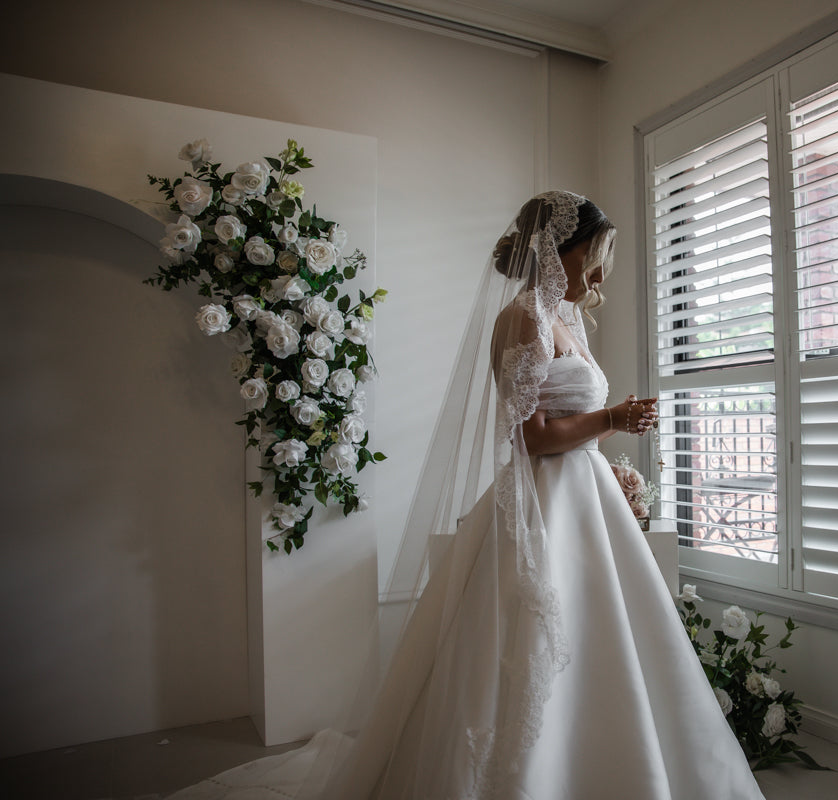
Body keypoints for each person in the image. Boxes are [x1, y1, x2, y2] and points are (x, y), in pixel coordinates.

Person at [173, 192, 767, 799]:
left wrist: (610, 426)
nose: (599, 268)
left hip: (586, 495)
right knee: (527, 641)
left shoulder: (566, 318)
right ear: (561, 249)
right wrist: (613, 418)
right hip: (545, 499)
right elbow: (531, 438)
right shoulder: (524, 319)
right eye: (594, 252)